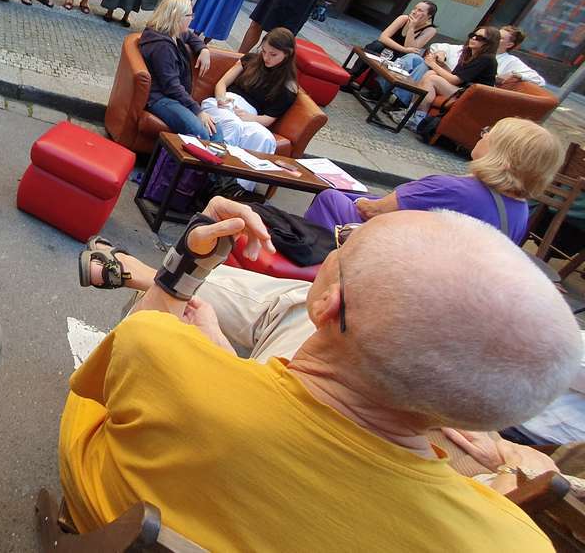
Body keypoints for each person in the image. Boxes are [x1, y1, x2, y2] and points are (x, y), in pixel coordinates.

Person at [63, 204, 581, 550]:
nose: (336, 247)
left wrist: (182, 275)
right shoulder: (514, 542)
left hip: (100, 518)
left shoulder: (158, 349)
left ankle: (136, 272)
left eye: (349, 244)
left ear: (328, 304)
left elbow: (111, 376)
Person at [305, 117, 561, 246]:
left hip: (396, 260)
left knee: (331, 197)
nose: (482, 135)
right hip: (443, 276)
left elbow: (371, 211)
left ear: (500, 153)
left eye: (489, 133)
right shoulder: (519, 210)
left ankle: (313, 265)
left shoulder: (453, 189)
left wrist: (360, 200)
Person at [202, 27, 298, 181]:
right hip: (224, 103)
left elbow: (269, 118)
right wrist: (221, 98)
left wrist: (251, 118)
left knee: (265, 138)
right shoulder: (250, 60)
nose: (266, 57)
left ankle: (239, 186)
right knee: (233, 125)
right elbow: (222, 83)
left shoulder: (287, 86)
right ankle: (212, 178)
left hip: (250, 117)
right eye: (264, 51)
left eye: (273, 54)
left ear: (287, 54)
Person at [137, 0, 219, 142]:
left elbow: (190, 36)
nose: (192, 18)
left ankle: (218, 156)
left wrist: (203, 49)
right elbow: (171, 86)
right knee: (201, 131)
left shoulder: (174, 34)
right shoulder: (162, 46)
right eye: (189, 15)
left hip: (173, 97)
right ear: (177, 17)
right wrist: (198, 111)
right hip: (160, 98)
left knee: (216, 132)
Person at [395, 25, 501, 131]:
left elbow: (455, 80)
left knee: (432, 79)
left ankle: (417, 120)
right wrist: (440, 64)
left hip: (474, 99)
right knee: (431, 73)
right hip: (463, 90)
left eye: (479, 38)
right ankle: (410, 113)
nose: (473, 38)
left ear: (489, 43)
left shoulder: (486, 59)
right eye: (473, 35)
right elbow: (455, 75)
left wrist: (433, 64)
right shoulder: (470, 53)